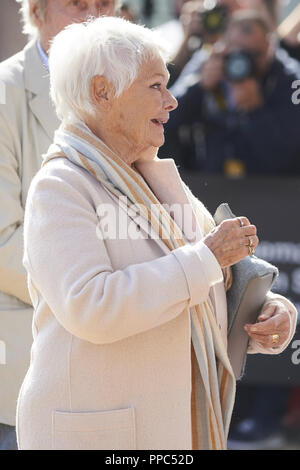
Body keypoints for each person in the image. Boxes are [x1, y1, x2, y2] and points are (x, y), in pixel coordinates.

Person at [17, 16, 297, 450]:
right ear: (102, 92)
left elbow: (214, 283)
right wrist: (207, 258)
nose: (172, 102)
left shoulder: (156, 177)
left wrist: (268, 314)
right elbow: (94, 307)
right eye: (155, 87)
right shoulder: (59, 187)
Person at [0, 0, 117, 450]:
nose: (92, 17)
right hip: (28, 372)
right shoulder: (6, 93)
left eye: (104, 4)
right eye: (76, 5)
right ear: (37, 12)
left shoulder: (132, 93)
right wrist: (98, 296)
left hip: (114, 374)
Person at [162, 10, 300, 175]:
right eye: (238, 52)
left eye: (253, 54)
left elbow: (291, 152)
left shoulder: (290, 77)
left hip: (268, 186)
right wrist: (199, 87)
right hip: (209, 181)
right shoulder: (208, 62)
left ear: (269, 47)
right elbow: (165, 119)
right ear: (224, 45)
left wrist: (256, 112)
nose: (243, 62)